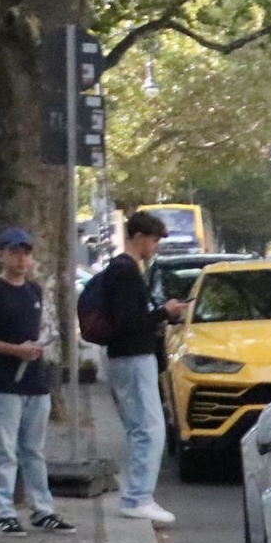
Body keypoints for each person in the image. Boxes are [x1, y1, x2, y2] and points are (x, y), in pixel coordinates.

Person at [0, 227, 73, 536]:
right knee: (3, 451)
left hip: (34, 381)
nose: (21, 258)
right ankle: (2, 511)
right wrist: (15, 351)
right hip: (3, 383)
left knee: (34, 450)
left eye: (26, 252)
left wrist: (37, 349)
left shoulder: (34, 291)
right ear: (0, 254)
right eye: (15, 252)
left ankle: (43, 509)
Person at [95, 210, 187, 525]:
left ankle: (137, 496)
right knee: (149, 429)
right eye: (153, 240)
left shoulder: (126, 270)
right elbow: (129, 321)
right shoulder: (125, 271)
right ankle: (137, 497)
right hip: (133, 356)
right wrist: (163, 312)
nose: (155, 247)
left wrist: (164, 313)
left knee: (141, 428)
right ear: (138, 238)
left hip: (131, 355)